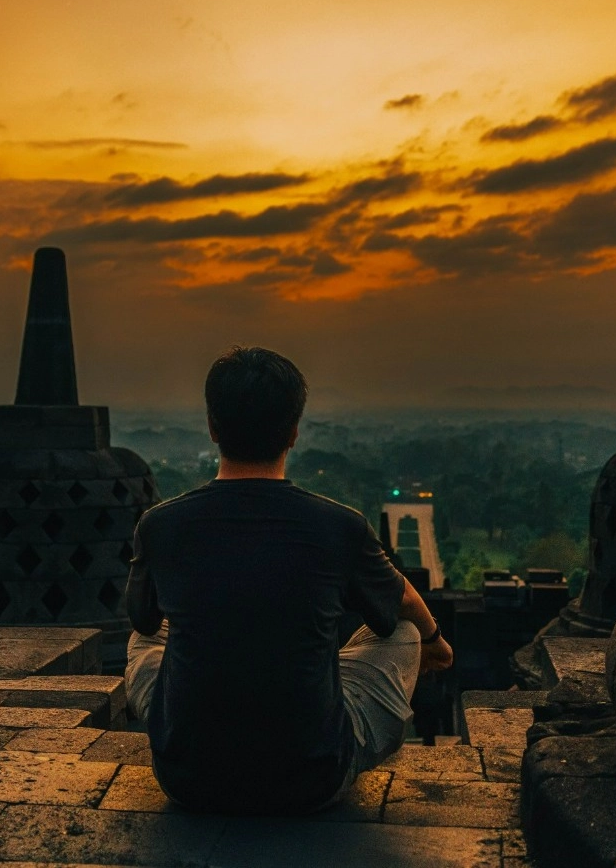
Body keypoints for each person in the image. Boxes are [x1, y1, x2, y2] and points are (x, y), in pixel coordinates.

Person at [123, 345, 455, 815]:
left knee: (148, 634)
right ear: (295, 431)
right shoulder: (338, 526)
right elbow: (401, 600)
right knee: (405, 632)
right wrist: (435, 641)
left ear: (213, 427)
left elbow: (141, 619)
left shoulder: (160, 525)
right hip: (313, 775)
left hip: (187, 775)